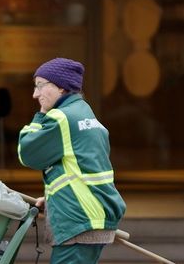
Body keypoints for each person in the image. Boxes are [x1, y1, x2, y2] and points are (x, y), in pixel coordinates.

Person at [17, 58, 126, 264]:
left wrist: (40, 116)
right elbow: (78, 168)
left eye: (40, 86)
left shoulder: (61, 118)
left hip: (79, 220)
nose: (35, 94)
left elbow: (28, 153)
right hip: (90, 216)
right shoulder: (85, 114)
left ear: (61, 87)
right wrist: (53, 199)